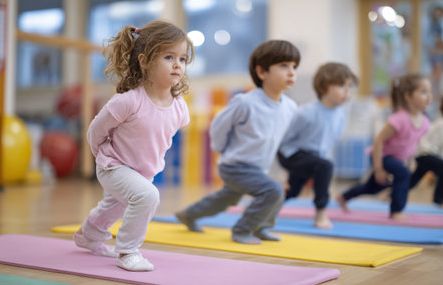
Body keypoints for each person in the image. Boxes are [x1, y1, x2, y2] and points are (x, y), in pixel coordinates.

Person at [73, 20, 194, 271]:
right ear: (145, 61)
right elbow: (96, 130)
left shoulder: (179, 106)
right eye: (169, 57)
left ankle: (90, 235)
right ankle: (128, 251)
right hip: (113, 166)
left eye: (182, 59)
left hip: (143, 171)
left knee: (115, 206)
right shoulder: (128, 101)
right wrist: (103, 157)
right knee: (147, 196)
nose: (177, 65)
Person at [176, 40, 301, 244]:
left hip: (258, 168)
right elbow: (219, 125)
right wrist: (220, 148)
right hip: (235, 166)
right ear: (262, 72)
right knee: (273, 191)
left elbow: (282, 138)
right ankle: (243, 230)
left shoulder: (290, 107)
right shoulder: (246, 102)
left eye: (294, 67)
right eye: (284, 66)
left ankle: (189, 214)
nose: (291, 72)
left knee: (228, 198)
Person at [337, 73, 432, 220]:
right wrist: (379, 168)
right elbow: (378, 141)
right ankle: (396, 211)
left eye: (429, 92)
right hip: (381, 156)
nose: (429, 96)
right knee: (403, 174)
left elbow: (413, 143)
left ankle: (343, 197)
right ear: (408, 96)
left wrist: (410, 160)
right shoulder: (399, 119)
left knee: (371, 188)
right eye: (423, 92)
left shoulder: (425, 122)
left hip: (397, 160)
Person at [277, 62, 358, 229]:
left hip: (312, 157)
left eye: (350, 87)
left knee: (293, 191)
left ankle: (264, 205)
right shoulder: (306, 112)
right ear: (324, 87)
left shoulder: (340, 116)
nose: (347, 92)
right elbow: (285, 137)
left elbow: (328, 142)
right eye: (342, 86)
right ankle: (321, 213)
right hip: (290, 153)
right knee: (326, 166)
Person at [409, 97, 443, 207]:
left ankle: (393, 193)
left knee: (413, 180)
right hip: (426, 154)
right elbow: (437, 147)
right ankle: (437, 201)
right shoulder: (441, 123)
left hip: (424, 154)